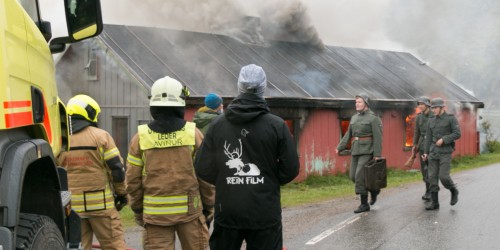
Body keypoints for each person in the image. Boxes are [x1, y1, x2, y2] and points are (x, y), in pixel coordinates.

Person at [194, 64, 300, 250]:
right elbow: (290, 168)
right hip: (264, 212)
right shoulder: (277, 126)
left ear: (239, 87)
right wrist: (268, 180)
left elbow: (202, 167)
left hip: (228, 211)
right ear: (263, 87)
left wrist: (225, 179)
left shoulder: (218, 125)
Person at [126, 76, 214, 250]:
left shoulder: (140, 138)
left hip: (155, 218)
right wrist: (208, 207)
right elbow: (206, 177)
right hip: (191, 214)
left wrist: (137, 210)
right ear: (180, 104)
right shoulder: (193, 134)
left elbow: (132, 181)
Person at [57, 94, 127, 250]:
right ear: (89, 113)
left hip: (72, 208)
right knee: (115, 246)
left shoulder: (59, 139)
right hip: (102, 207)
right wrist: (122, 194)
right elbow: (116, 169)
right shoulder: (101, 137)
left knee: (77, 246)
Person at [336, 94, 383, 213]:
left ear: (366, 104)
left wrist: (377, 154)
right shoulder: (354, 118)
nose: (357, 104)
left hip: (368, 150)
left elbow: (378, 138)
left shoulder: (373, 118)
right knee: (353, 176)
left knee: (359, 176)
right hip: (356, 150)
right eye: (356, 102)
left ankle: (364, 204)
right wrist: (340, 147)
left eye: (359, 102)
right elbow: (348, 134)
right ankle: (373, 190)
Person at [422, 97, 461, 210]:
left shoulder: (451, 119)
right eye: (432, 108)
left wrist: (444, 139)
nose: (433, 110)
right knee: (432, 177)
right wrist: (425, 152)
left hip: (445, 152)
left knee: (443, 176)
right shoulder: (431, 120)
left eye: (435, 108)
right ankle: (435, 203)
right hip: (433, 152)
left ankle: (453, 190)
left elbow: (457, 134)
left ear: (442, 107)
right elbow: (428, 138)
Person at [412, 96, 434, 201]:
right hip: (421, 145)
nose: (420, 106)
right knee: (424, 169)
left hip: (432, 145)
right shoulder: (419, 117)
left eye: (422, 104)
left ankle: (432, 191)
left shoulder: (434, 116)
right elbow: (417, 132)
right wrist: (414, 145)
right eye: (419, 104)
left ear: (427, 105)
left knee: (430, 168)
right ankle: (427, 190)